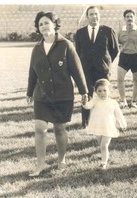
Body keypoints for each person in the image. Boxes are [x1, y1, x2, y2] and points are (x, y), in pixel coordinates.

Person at [26, 11, 88, 177]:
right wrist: (29, 92)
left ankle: (62, 159)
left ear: (54, 24)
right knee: (39, 129)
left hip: (62, 95)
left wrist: (83, 91)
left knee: (59, 129)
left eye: (47, 22)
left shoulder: (66, 45)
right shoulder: (37, 49)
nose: (44, 26)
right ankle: (41, 164)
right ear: (38, 29)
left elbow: (77, 69)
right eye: (41, 24)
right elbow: (33, 72)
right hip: (42, 96)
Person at [75, 6, 119, 128]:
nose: (94, 16)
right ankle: (86, 122)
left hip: (102, 69)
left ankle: (105, 121)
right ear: (87, 17)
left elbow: (114, 50)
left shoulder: (108, 31)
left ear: (99, 16)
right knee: (86, 95)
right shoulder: (80, 33)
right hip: (86, 70)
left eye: (96, 14)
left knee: (104, 94)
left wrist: (106, 62)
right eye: (91, 14)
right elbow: (77, 52)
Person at [82, 79, 127, 169]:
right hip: (97, 126)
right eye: (99, 91)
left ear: (109, 91)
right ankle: (104, 155)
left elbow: (119, 114)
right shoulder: (95, 101)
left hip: (108, 127)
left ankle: (103, 163)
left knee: (104, 145)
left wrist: (123, 125)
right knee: (101, 144)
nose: (102, 93)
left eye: (105, 90)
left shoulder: (113, 103)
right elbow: (87, 106)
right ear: (95, 91)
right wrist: (84, 102)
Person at [117, 9, 137, 108]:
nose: (129, 18)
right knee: (120, 79)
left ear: (134, 18)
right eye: (127, 17)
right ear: (124, 18)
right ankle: (123, 101)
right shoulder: (120, 31)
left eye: (131, 16)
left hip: (136, 56)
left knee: (136, 80)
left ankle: (133, 101)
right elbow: (118, 44)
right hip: (124, 57)